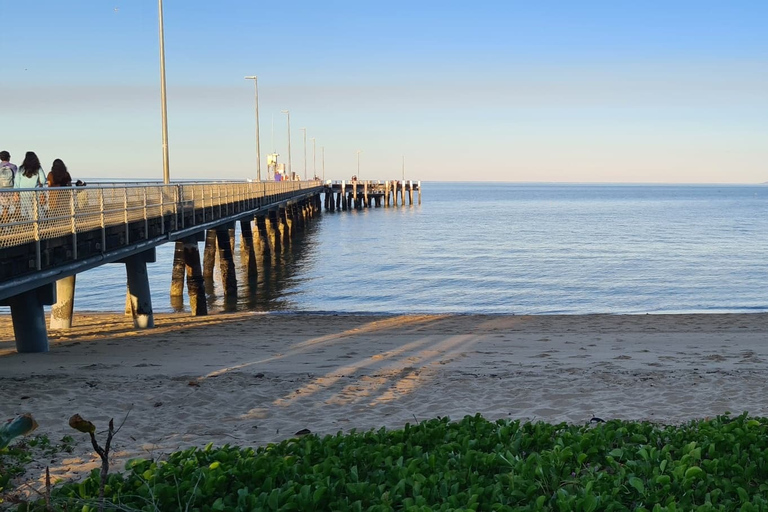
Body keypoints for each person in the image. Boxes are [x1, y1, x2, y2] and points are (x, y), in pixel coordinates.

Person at [14, 152, 47, 219]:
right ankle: (38, 223)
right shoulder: (38, 168)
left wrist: (16, 193)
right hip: (35, 192)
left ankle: (29, 223)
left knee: (26, 209)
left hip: (23, 192)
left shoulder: (20, 168)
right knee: (37, 208)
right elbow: (43, 180)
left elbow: (17, 182)